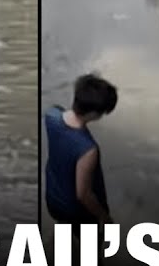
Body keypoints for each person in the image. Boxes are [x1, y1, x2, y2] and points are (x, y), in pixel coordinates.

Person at [43, 74, 118, 227]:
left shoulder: (51, 115)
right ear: (94, 114)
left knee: (63, 232)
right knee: (89, 249)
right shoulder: (88, 149)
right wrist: (104, 217)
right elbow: (83, 194)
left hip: (54, 198)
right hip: (78, 212)